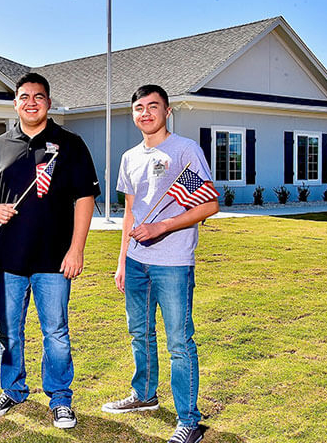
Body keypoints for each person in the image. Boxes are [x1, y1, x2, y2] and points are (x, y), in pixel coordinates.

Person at [0, 72, 99, 429]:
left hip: (54, 257)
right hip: (9, 259)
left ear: (48, 102)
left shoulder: (70, 143)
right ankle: (13, 389)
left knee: (56, 332)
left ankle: (61, 398)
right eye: (24, 97)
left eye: (38, 96)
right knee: (8, 331)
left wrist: (76, 249)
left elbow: (85, 198)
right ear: (15, 103)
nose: (31, 102)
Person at [101, 84, 218, 443]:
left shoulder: (184, 150)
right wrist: (122, 260)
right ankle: (145, 394)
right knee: (140, 333)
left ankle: (189, 420)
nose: (146, 113)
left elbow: (209, 205)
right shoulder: (130, 157)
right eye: (139, 107)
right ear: (133, 114)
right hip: (137, 262)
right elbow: (131, 213)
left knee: (179, 342)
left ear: (167, 112)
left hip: (173, 263)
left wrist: (163, 226)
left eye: (154, 106)